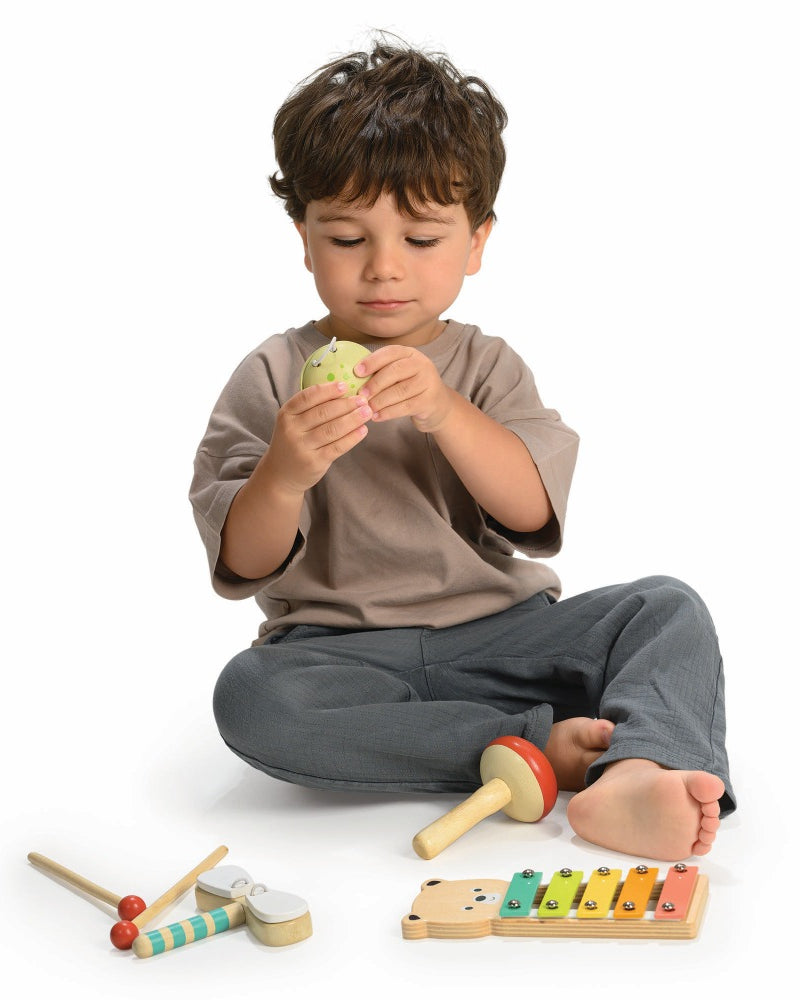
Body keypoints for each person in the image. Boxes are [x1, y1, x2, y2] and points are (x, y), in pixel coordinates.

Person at [189, 39, 735, 861]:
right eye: (346, 239)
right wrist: (285, 471)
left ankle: (640, 769)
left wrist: (446, 411)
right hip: (338, 654)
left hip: (500, 634)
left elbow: (528, 512)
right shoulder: (272, 375)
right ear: (304, 239)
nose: (382, 270)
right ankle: (535, 750)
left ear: (476, 244)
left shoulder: (484, 366)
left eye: (420, 239)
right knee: (253, 700)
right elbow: (242, 562)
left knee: (664, 607)